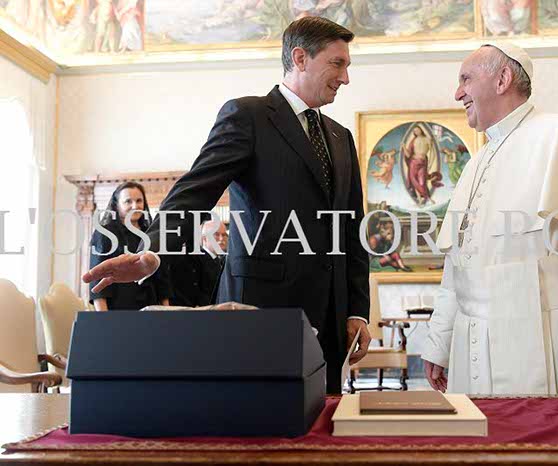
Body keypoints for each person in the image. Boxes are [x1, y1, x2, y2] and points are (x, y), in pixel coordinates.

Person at [82, 17, 371, 394]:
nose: (345, 78)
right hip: (261, 314)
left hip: (330, 320)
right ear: (300, 58)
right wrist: (153, 252)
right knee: (253, 425)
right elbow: (194, 192)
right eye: (337, 64)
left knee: (321, 425)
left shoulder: (340, 136)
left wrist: (357, 309)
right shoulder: (249, 117)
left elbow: (352, 227)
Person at [421, 43, 558, 396]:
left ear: (502, 79)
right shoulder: (475, 163)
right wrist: (439, 344)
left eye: (466, 79)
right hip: (470, 354)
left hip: (547, 352)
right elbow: (457, 270)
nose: (457, 93)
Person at [89, 182, 171, 311]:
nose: (135, 206)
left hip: (152, 309)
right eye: (128, 201)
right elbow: (98, 280)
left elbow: (162, 280)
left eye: (139, 201)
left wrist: (167, 313)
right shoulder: (105, 233)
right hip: (118, 311)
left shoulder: (151, 234)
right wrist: (103, 318)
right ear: (117, 205)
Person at [168, 220, 228, 308]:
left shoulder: (221, 260)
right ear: (204, 238)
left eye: (224, 235)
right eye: (216, 234)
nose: (221, 239)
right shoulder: (192, 260)